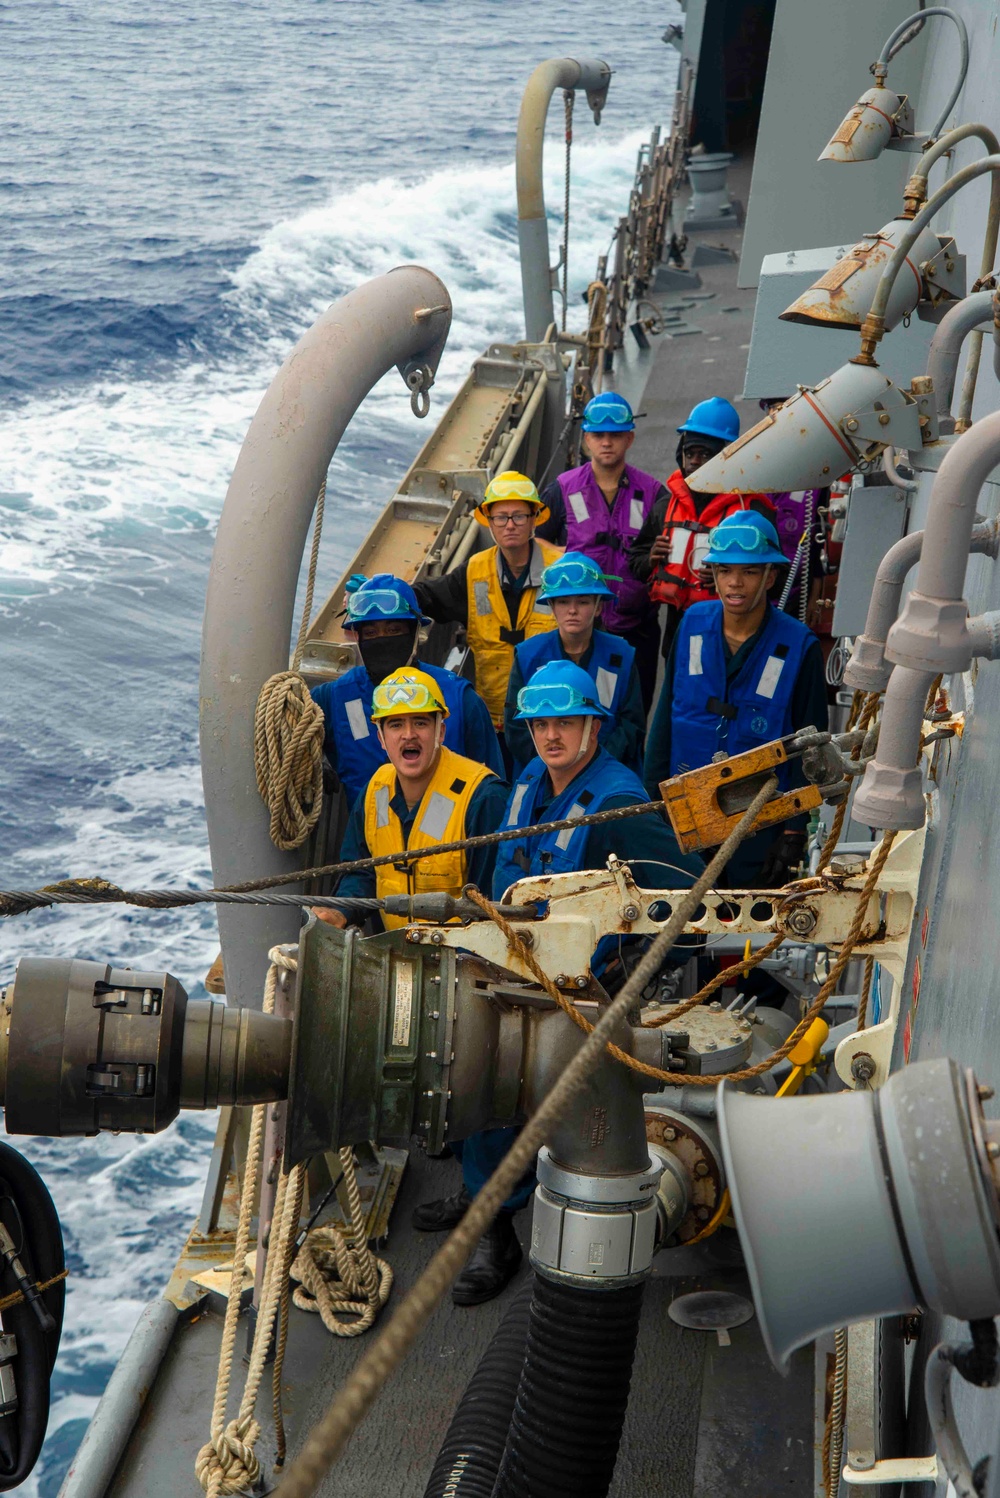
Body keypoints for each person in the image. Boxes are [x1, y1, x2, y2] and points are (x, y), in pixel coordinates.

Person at [413, 661, 703, 1307]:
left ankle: (498, 1230)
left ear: (591, 726)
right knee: (462, 1064)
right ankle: (479, 1189)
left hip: (575, 993)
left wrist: (639, 963)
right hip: (508, 971)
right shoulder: (525, 787)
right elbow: (496, 876)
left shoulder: (620, 803)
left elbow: (692, 891)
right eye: (540, 723)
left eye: (565, 721)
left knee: (498, 1079)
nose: (551, 735)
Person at [312, 668, 516, 1308]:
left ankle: (498, 1231)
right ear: (379, 734)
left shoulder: (480, 796)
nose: (408, 736)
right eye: (395, 725)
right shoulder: (374, 790)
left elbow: (497, 896)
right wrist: (342, 909)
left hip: (471, 973)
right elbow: (360, 870)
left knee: (483, 1092)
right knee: (441, 1094)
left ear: (439, 728)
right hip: (407, 970)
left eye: (419, 724)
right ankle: (471, 1193)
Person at [643, 512, 829, 888]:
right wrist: (652, 803)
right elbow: (665, 716)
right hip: (687, 811)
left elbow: (811, 746)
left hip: (760, 822)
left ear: (770, 577)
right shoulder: (692, 623)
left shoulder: (798, 646)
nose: (735, 583)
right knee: (684, 925)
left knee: (747, 934)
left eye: (749, 572)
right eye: (725, 571)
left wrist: (794, 832)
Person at [309, 573, 502, 808]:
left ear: (415, 633)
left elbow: (495, 792)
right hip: (370, 838)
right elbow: (292, 733)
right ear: (357, 637)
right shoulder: (335, 698)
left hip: (448, 840)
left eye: (394, 631)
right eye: (371, 633)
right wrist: (316, 761)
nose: (382, 641)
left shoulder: (461, 700)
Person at [536, 392, 666, 711]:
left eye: (615, 435)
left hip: (637, 629)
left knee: (631, 713)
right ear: (586, 440)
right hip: (579, 631)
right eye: (598, 435)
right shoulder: (562, 489)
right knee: (577, 710)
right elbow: (535, 541)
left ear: (630, 438)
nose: (606, 442)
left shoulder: (652, 493)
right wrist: (566, 555)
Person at [413, 471, 561, 736]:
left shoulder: (561, 571)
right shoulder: (474, 571)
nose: (510, 525)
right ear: (490, 523)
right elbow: (428, 596)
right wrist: (384, 592)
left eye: (519, 516)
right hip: (493, 723)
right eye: (501, 518)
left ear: (534, 520)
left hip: (549, 718)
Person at [628, 396, 775, 658]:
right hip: (677, 639)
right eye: (690, 453)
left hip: (733, 639)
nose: (695, 461)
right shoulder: (665, 507)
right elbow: (635, 561)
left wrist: (726, 577)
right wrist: (651, 559)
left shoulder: (752, 512)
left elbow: (777, 575)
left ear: (725, 455)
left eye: (705, 454)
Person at [502, 552, 646, 777]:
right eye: (563, 601)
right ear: (551, 606)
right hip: (543, 775)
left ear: (598, 607)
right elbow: (516, 728)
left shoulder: (622, 655)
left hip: (606, 774)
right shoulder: (527, 655)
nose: (572, 610)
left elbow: (631, 725)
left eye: (583, 601)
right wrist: (553, 768)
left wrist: (592, 767)